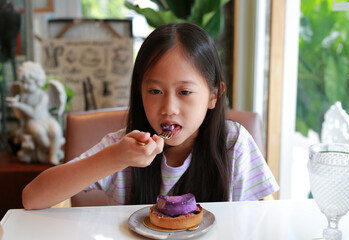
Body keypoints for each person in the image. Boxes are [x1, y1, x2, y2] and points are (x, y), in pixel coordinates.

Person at [22, 22, 279, 210]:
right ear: (139, 92)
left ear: (214, 95)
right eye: (155, 91)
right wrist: (115, 157)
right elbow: (32, 198)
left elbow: (264, 220)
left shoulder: (233, 144)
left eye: (185, 92)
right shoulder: (121, 147)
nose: (168, 107)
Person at [7, 61, 65, 165]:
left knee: (56, 131)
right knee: (39, 133)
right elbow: (25, 116)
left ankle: (53, 154)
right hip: (32, 122)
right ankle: (50, 151)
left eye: (28, 83)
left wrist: (19, 105)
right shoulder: (23, 95)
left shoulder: (43, 96)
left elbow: (35, 113)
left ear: (38, 81)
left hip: (46, 119)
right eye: (22, 82)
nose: (24, 85)